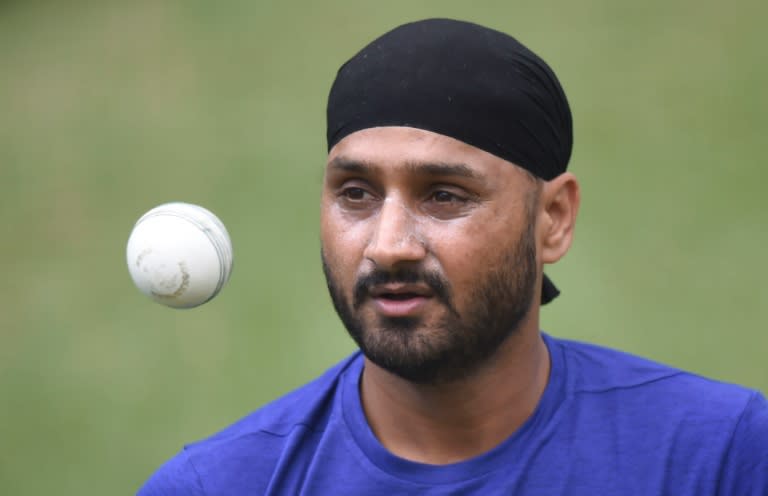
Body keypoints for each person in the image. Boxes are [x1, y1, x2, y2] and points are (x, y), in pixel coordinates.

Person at [138, 18, 768, 495]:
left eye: (443, 196)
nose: (388, 245)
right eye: (355, 194)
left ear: (552, 220)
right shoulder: (216, 487)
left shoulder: (720, 457)